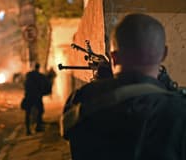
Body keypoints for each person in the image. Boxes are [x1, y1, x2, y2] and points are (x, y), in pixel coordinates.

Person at [61, 13, 186, 160]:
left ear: (113, 57)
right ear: (164, 54)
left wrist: (100, 84)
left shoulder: (81, 100)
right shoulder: (178, 108)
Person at [22, 62, 47, 135]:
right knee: (40, 110)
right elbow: (42, 86)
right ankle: (38, 127)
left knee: (28, 113)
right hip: (36, 96)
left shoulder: (28, 75)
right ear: (38, 68)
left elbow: (25, 85)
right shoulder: (40, 76)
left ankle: (28, 130)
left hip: (29, 96)